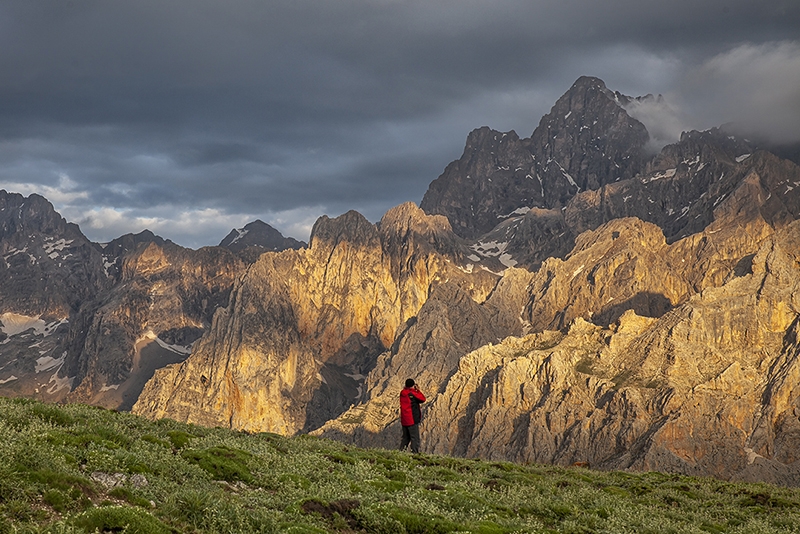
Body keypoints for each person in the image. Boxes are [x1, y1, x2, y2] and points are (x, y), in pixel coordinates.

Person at [399, 378, 426, 453]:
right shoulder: (412, 393)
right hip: (412, 419)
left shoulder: (402, 392)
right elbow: (423, 399)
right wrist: (417, 390)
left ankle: (400, 453)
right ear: (412, 385)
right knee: (415, 438)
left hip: (404, 420)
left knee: (406, 438)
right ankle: (415, 454)